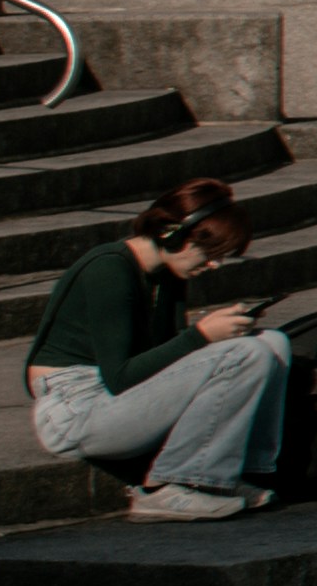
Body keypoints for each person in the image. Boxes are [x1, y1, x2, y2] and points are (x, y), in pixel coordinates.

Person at [23, 175, 294, 520]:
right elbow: (120, 378)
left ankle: (228, 475)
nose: (214, 265)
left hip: (112, 402)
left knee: (272, 343)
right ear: (172, 233)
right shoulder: (108, 269)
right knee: (244, 354)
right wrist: (202, 337)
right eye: (209, 253)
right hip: (74, 410)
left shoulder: (166, 275)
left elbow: (165, 360)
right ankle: (169, 487)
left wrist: (214, 337)